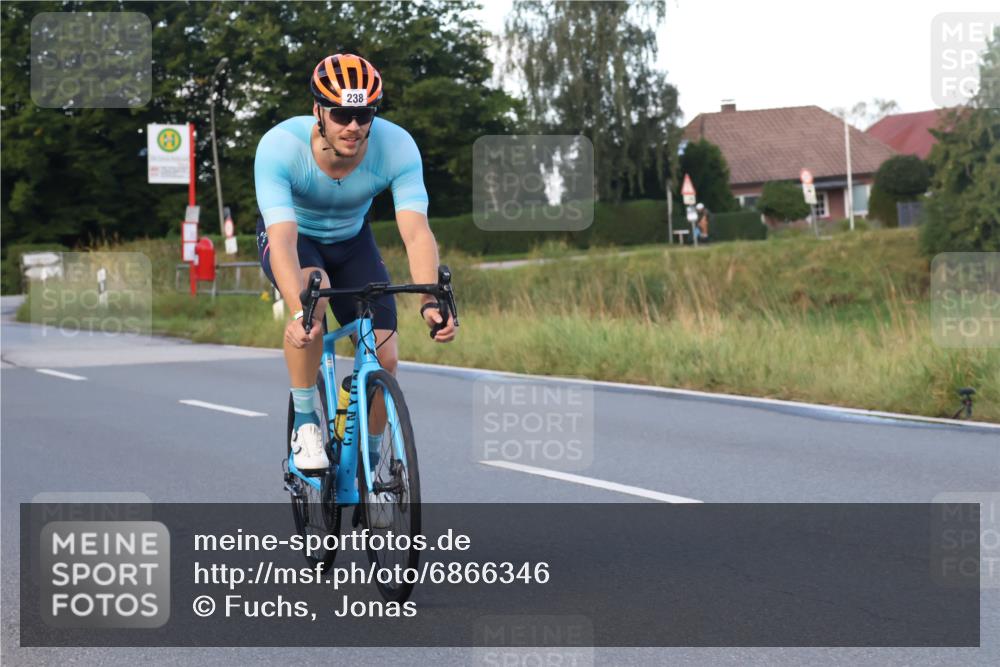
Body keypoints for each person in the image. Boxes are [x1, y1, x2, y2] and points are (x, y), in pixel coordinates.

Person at [254, 54, 455, 472]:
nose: (353, 126)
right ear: (318, 112)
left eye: (363, 114)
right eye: (342, 114)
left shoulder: (397, 146)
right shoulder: (280, 147)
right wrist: (299, 309)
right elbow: (284, 239)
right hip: (297, 242)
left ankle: (370, 464)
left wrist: (430, 300)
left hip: (352, 242)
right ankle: (306, 422)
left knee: (386, 357)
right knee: (315, 294)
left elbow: (416, 232)